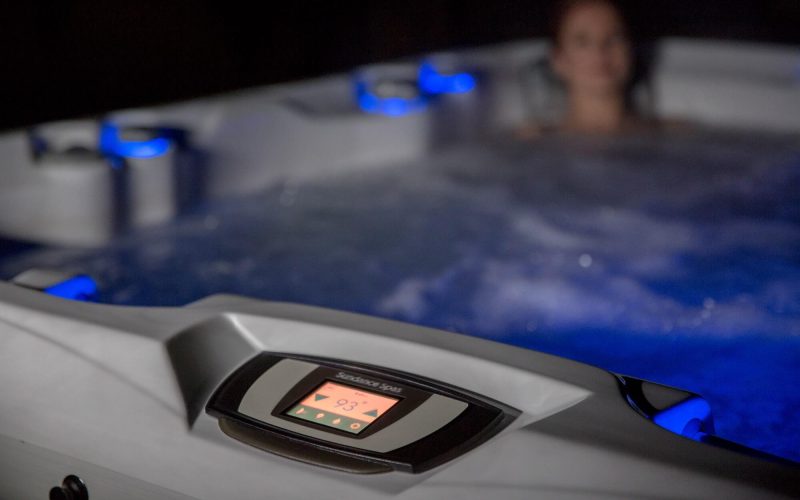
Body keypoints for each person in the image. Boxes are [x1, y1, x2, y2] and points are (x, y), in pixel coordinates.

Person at [520, 0, 655, 137]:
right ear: (558, 58)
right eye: (583, 41)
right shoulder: (535, 141)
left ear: (630, 49)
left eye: (614, 37)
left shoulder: (663, 135)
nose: (600, 51)